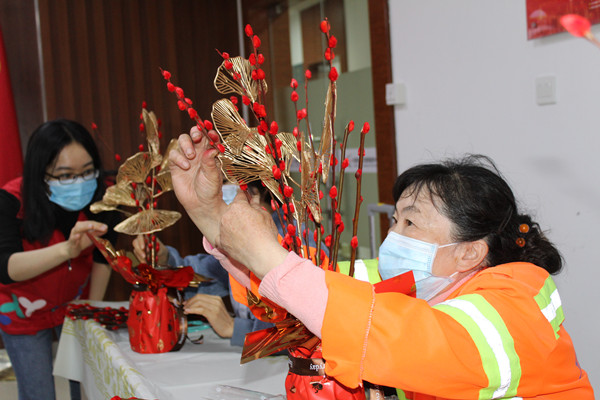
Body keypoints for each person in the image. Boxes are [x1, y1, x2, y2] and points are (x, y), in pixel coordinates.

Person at [168, 126, 594, 399]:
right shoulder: (420, 278)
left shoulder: (516, 305)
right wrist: (210, 214)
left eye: (411, 223)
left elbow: (408, 340)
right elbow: (303, 290)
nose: (394, 235)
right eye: (396, 219)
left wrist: (266, 253)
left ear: (470, 251)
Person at [0, 119, 118, 400]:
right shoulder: (10, 201)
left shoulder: (105, 196)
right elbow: (5, 267)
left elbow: (104, 256)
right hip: (23, 310)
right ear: (40, 173)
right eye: (65, 175)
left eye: (87, 171)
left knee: (86, 384)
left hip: (74, 304)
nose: (79, 182)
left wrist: (91, 310)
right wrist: (66, 250)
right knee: (38, 391)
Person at [131, 181, 283, 346]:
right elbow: (199, 277)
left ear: (260, 190)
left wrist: (233, 327)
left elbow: (300, 334)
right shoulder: (239, 243)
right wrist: (164, 259)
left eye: (228, 184)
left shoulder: (295, 241)